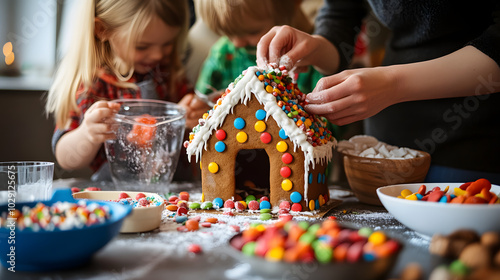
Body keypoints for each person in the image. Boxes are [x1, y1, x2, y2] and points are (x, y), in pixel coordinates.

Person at [257, 0, 500, 183]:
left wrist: (394, 84)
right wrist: (316, 46)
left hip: (472, 143)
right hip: (385, 149)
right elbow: (340, 16)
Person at [45, 0, 208, 181]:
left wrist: (196, 115)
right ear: (102, 30)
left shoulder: (168, 72)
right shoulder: (91, 84)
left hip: (173, 195)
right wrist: (87, 134)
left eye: (168, 44)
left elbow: (194, 127)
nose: (157, 55)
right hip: (116, 195)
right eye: (142, 46)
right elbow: (66, 159)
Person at [194, 0, 324, 96]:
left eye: (252, 32)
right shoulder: (221, 54)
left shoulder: (309, 54)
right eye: (227, 34)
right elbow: (202, 100)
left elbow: (332, 123)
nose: (237, 43)